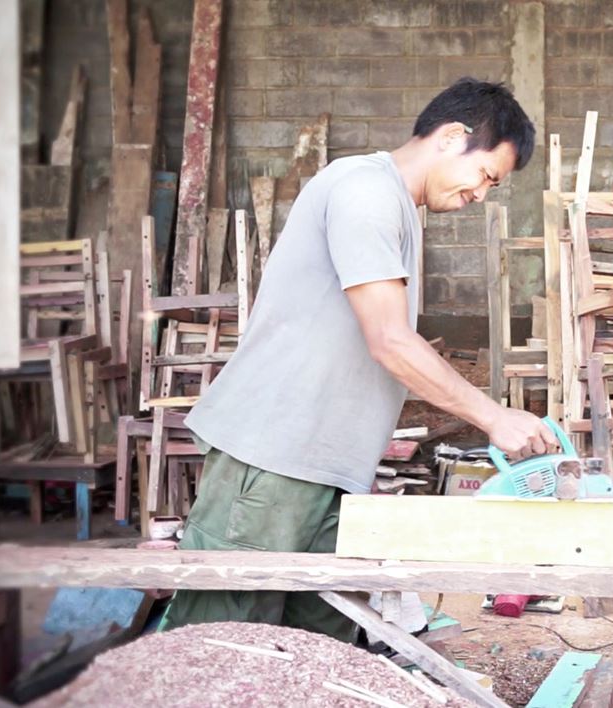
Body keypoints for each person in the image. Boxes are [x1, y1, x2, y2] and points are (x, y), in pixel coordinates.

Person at [159, 78, 558, 639]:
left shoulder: (397, 208)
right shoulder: (364, 190)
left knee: (322, 644)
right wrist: (494, 418)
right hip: (273, 459)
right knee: (228, 639)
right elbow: (390, 340)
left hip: (325, 467)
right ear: (451, 137)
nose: (481, 195)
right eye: (487, 176)